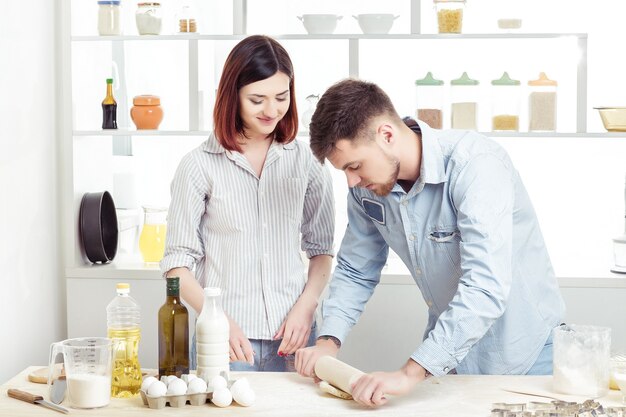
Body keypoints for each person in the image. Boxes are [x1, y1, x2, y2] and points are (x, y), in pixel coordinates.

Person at [295, 79, 565, 406]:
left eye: (354, 166)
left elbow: (485, 286)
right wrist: (328, 341)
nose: (352, 181)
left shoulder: (475, 165)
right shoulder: (366, 190)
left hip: (527, 358)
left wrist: (410, 373)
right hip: (451, 361)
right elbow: (355, 270)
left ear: (387, 135)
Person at [161, 35, 335, 372]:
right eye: (257, 99)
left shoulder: (307, 161)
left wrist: (307, 307)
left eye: (281, 97)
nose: (272, 110)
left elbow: (321, 250)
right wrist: (217, 321)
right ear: (232, 97)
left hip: (296, 335)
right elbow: (176, 265)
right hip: (226, 340)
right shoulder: (199, 165)